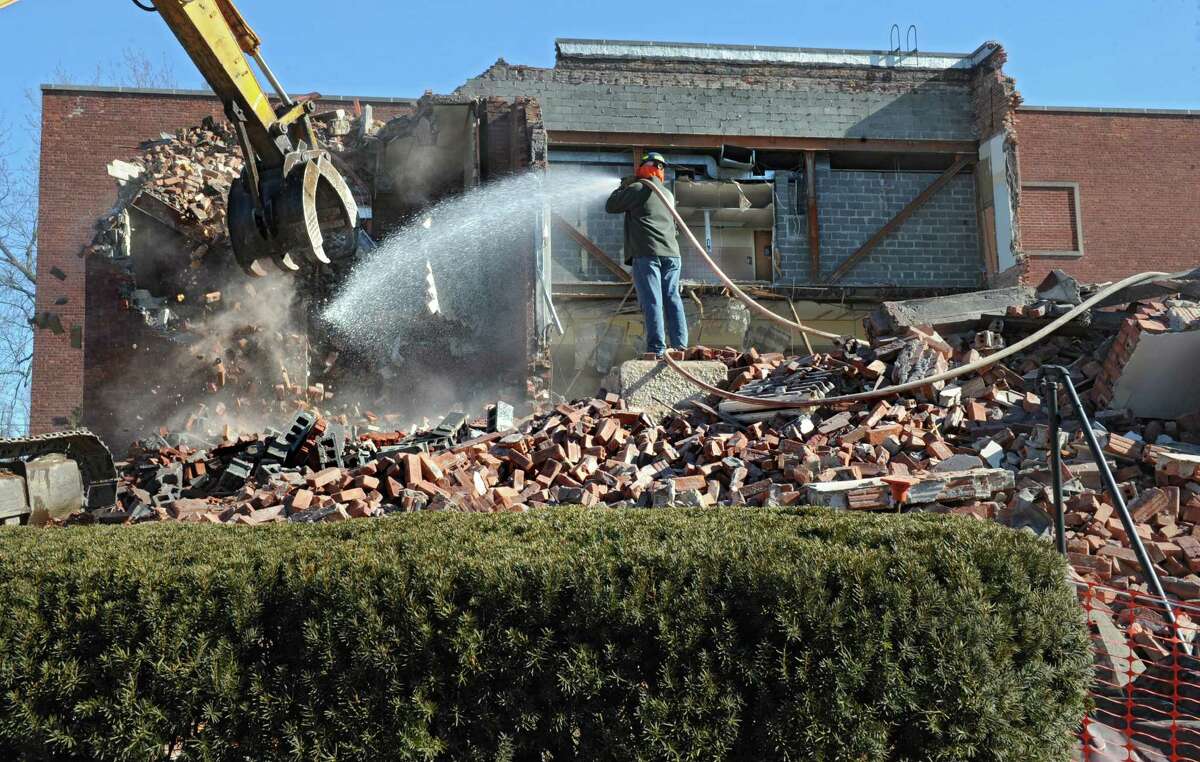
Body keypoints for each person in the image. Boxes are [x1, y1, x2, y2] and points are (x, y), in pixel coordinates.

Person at [605, 151, 688, 357]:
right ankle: (680, 346)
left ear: (643, 167)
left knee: (653, 300)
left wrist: (623, 186)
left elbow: (611, 205)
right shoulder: (668, 194)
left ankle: (657, 349)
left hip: (648, 253)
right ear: (661, 171)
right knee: (672, 297)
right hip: (672, 254)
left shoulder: (638, 187)